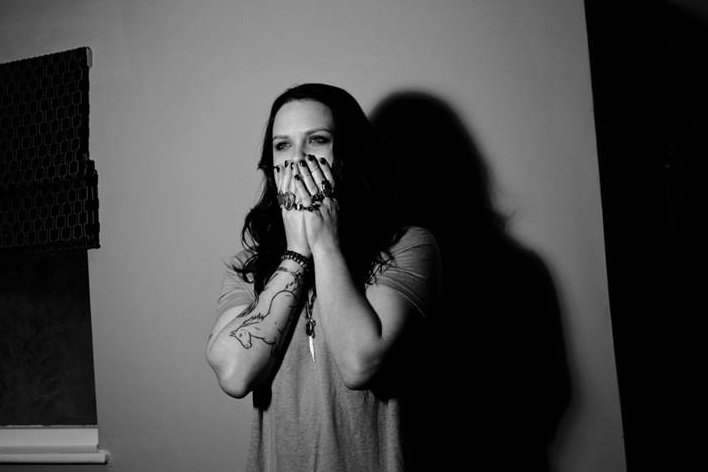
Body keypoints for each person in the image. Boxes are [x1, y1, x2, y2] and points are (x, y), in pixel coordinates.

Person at [206, 83, 441, 472]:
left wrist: (324, 245)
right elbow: (234, 375)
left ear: (348, 154)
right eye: (282, 146)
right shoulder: (249, 266)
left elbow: (359, 363)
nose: (297, 159)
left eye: (317, 140)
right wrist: (296, 254)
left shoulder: (407, 246)